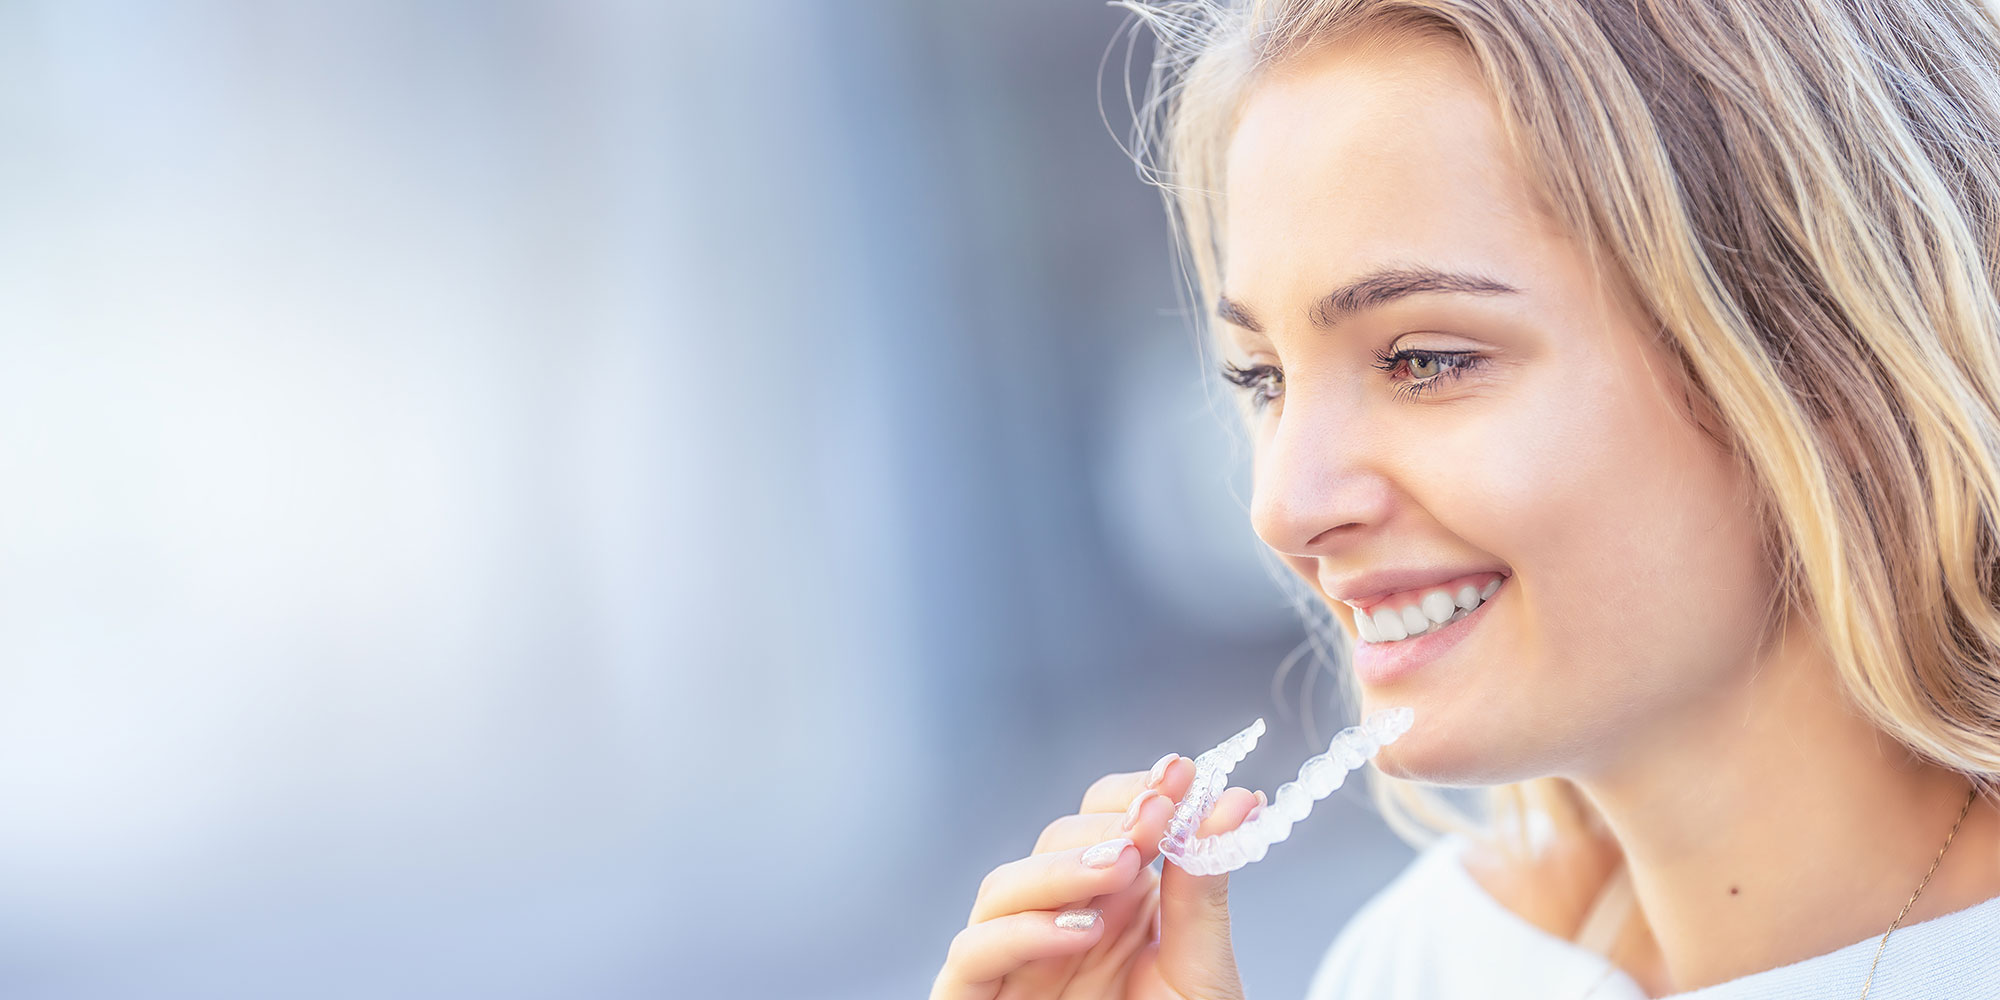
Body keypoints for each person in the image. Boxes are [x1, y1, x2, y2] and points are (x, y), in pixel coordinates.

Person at [930, 1, 2000, 997]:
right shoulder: (1421, 963)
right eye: (1262, 379)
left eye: (1424, 359)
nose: (1282, 505)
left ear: (1835, 374)